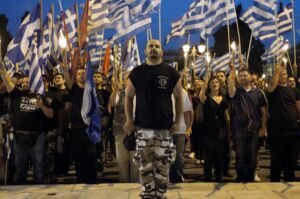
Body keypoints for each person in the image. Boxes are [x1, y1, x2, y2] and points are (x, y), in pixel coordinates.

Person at [124, 39, 182, 199]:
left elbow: (178, 98)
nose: (154, 49)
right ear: (145, 51)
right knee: (145, 167)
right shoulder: (136, 72)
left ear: (162, 51)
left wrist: (177, 122)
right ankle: (148, 195)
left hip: (164, 128)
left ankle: (161, 195)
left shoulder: (171, 73)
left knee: (163, 166)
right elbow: (128, 97)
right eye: (151, 46)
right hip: (143, 128)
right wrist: (129, 121)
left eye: (157, 46)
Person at [0, 59, 54, 184]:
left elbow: (51, 114)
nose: (24, 83)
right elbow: (7, 82)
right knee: (20, 170)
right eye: (22, 81)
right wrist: (2, 68)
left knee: (39, 170)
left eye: (27, 81)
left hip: (37, 137)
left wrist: (42, 106)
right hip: (20, 137)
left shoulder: (39, 95)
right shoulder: (16, 94)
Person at [228, 66, 267, 182]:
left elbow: (264, 112)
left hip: (254, 129)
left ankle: (250, 178)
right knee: (240, 156)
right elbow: (230, 87)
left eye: (245, 75)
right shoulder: (236, 92)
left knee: (253, 155)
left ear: (250, 76)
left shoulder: (259, 92)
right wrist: (231, 73)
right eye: (240, 76)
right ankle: (240, 177)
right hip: (239, 129)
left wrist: (263, 128)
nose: (243, 78)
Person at [62, 67, 98, 184]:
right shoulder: (75, 89)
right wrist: (65, 69)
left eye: (84, 73)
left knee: (91, 156)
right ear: (76, 77)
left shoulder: (92, 90)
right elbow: (67, 81)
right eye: (79, 73)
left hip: (90, 129)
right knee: (79, 156)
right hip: (77, 129)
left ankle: (92, 181)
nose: (82, 75)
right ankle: (81, 180)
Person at [266, 64, 300, 182]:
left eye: (284, 74)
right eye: (280, 75)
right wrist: (277, 70)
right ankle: (274, 182)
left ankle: (289, 179)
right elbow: (271, 85)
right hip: (276, 129)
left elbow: (298, 107)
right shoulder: (272, 89)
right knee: (276, 158)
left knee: (290, 159)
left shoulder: (294, 91)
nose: (282, 76)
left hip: (291, 129)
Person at [109, 72, 139, 183]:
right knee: (122, 161)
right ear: (124, 81)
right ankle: (123, 184)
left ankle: (135, 183)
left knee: (136, 161)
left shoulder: (141, 94)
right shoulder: (119, 93)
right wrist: (115, 91)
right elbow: (112, 103)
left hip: (137, 132)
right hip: (121, 131)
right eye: (128, 78)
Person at [199, 77, 229, 182]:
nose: (214, 83)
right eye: (212, 82)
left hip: (221, 129)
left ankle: (218, 175)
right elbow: (201, 95)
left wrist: (228, 130)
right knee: (209, 153)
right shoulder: (206, 98)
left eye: (216, 82)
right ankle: (207, 175)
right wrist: (205, 81)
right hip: (208, 130)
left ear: (220, 85)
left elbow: (226, 115)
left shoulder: (224, 98)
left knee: (219, 154)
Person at [169, 86, 193, 183]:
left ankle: (178, 177)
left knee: (179, 156)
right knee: (167, 155)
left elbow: (187, 111)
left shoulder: (183, 92)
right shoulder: (162, 89)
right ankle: (167, 177)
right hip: (165, 129)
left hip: (180, 129)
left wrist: (188, 127)